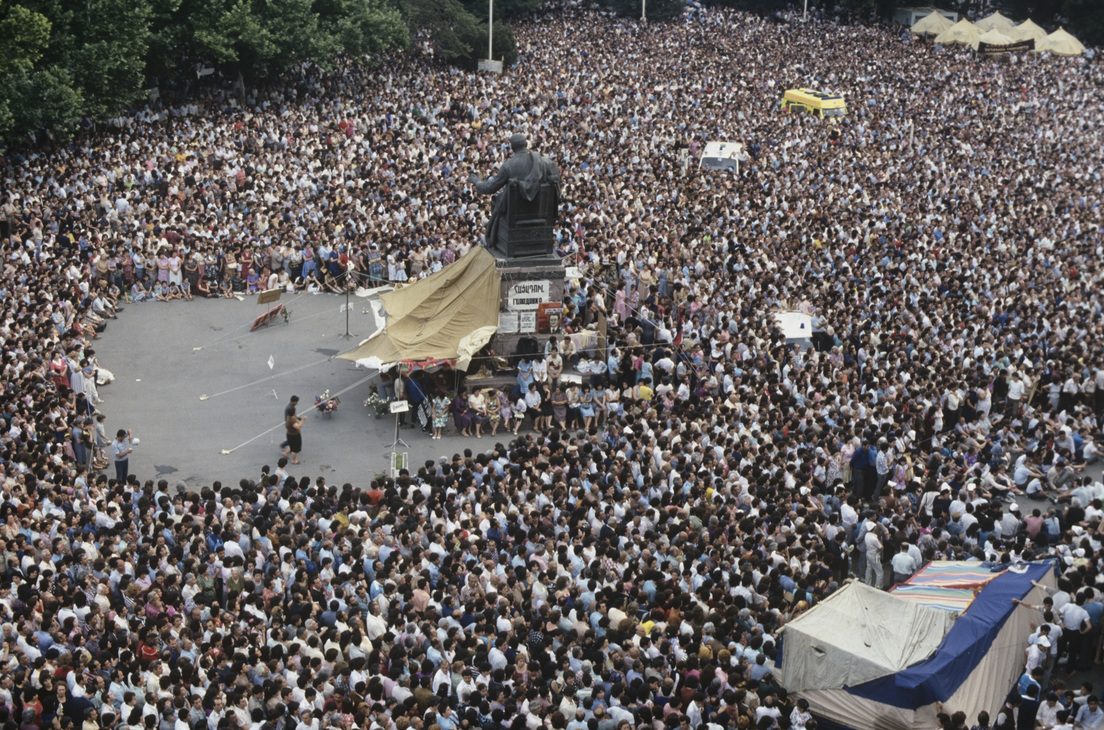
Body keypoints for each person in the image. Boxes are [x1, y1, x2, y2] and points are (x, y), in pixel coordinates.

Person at [469, 133, 561, 248]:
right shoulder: (545, 163)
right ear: (526, 144)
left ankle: (495, 238)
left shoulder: (509, 166)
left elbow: (489, 188)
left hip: (516, 214)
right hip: (540, 214)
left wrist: (477, 182)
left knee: (496, 201)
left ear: (512, 148)